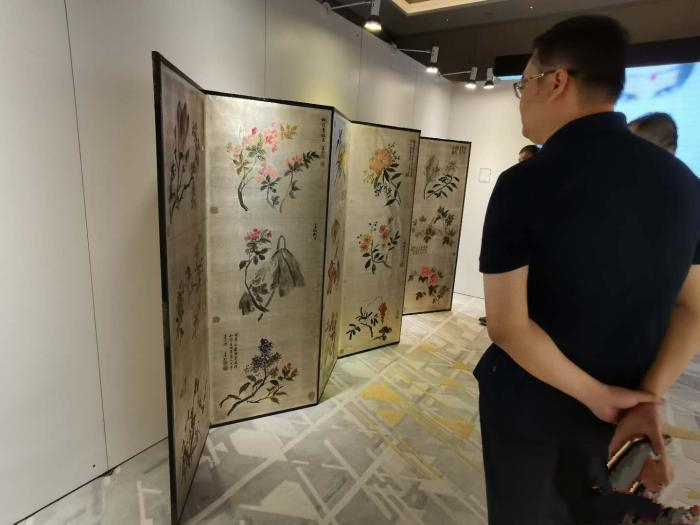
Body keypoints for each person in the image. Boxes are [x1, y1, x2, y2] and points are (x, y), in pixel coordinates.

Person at [475, 15, 700, 525]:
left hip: (533, 404)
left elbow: (507, 325)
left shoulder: (525, 182)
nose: (522, 99)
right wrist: (647, 397)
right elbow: (693, 307)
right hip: (625, 410)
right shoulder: (687, 185)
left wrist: (598, 397)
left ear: (556, 81)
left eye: (524, 83)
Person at [479, 144, 540, 327]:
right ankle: (498, 317)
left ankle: (511, 322)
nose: (520, 164)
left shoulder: (540, 184)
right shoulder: (513, 180)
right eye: (519, 160)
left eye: (525, 160)